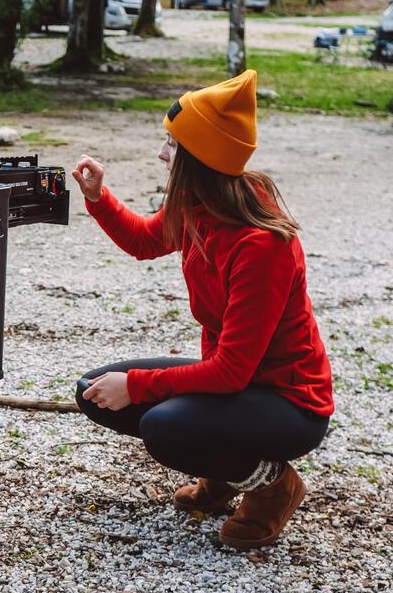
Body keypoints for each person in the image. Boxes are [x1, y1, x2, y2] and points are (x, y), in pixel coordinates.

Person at [72, 69, 333, 549]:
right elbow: (142, 241)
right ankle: (224, 471)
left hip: (288, 402)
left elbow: (232, 372)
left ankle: (273, 487)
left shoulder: (261, 245)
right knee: (92, 390)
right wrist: (98, 198)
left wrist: (135, 386)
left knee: (163, 427)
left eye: (171, 144)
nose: (161, 154)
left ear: (201, 158)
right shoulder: (197, 207)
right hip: (237, 386)